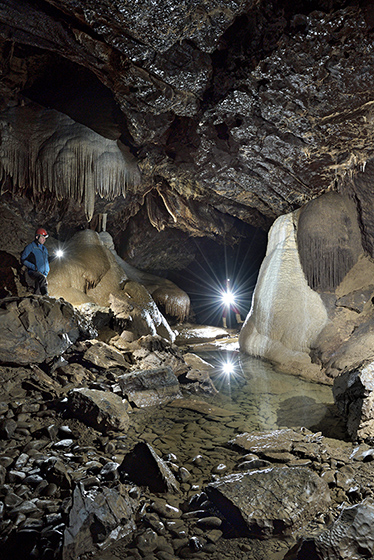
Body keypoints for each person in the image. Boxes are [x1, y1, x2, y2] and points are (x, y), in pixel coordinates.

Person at [21, 227, 50, 295]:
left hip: (43, 273)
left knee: (38, 292)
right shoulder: (30, 247)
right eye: (42, 237)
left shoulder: (44, 248)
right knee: (42, 279)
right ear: (37, 237)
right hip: (34, 271)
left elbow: (46, 260)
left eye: (45, 238)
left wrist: (54, 257)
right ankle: (46, 296)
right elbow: (23, 259)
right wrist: (34, 267)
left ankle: (38, 301)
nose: (44, 239)